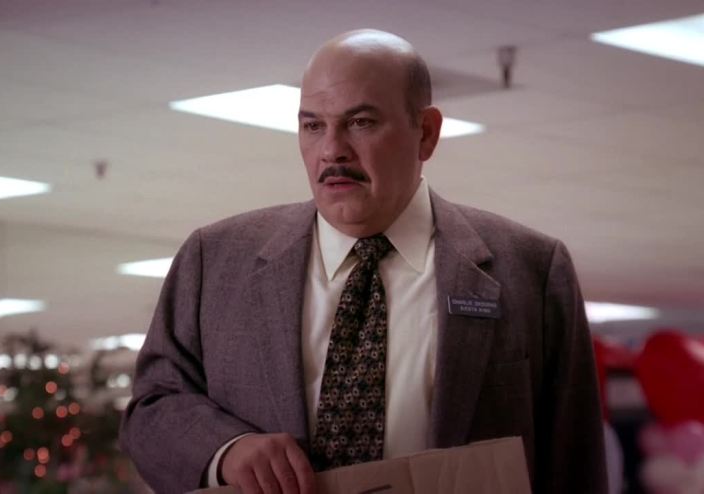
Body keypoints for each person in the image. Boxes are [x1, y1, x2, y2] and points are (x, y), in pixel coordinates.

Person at [120, 29, 607, 494]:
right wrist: (226, 450)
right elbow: (152, 410)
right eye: (313, 125)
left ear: (426, 133)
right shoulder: (215, 260)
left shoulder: (531, 270)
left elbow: (574, 465)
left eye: (361, 122)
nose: (332, 150)